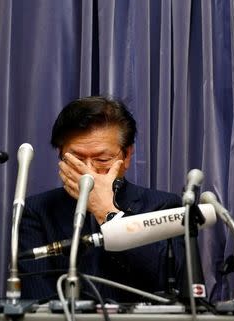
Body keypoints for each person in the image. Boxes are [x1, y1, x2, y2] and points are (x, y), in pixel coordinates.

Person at [19, 96, 185, 302]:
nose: (88, 171)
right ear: (60, 155)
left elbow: (173, 284)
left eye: (102, 160)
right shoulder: (36, 211)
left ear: (127, 157)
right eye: (77, 159)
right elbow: (37, 300)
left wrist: (107, 212)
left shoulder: (162, 206)